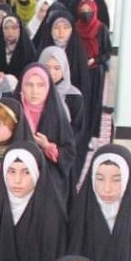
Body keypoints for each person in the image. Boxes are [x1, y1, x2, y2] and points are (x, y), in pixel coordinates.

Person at [17, 64, 77, 208]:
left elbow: (69, 153)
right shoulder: (13, 112)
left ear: (48, 88)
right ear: (22, 87)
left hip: (49, 184)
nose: (35, 91)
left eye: (41, 85)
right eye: (29, 85)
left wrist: (48, 147)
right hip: (16, 180)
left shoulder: (57, 115)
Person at [39, 46, 87, 178]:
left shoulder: (74, 96)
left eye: (57, 68)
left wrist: (58, 148)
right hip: (37, 152)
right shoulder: (34, 93)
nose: (51, 72)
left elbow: (78, 128)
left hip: (62, 156)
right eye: (47, 67)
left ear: (64, 69)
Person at [75, 0, 112, 165]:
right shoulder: (76, 28)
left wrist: (95, 60)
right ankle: (80, 133)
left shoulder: (101, 28)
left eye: (89, 11)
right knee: (81, 102)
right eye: (83, 11)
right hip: (79, 72)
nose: (86, 14)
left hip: (95, 72)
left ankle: (92, 135)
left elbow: (106, 52)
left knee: (94, 103)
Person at [0, 14, 37, 79]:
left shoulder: (28, 49)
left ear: (19, 29)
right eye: (6, 28)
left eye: (14, 28)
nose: (9, 31)